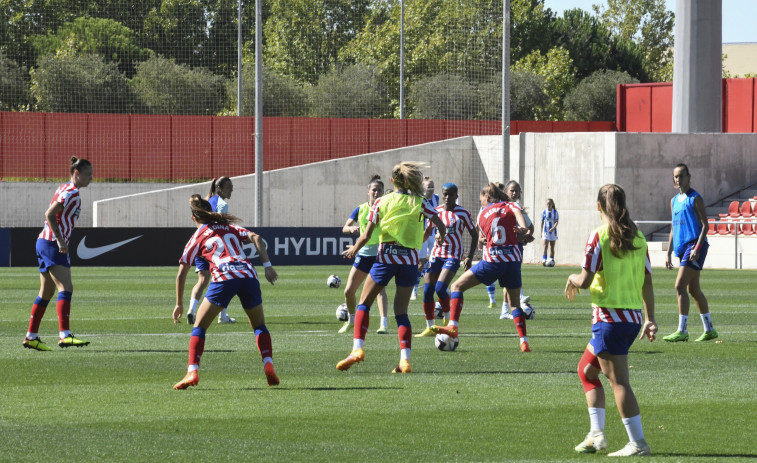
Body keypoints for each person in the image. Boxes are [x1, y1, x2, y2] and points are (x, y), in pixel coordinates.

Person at [565, 183, 657, 457]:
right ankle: (596, 435)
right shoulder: (638, 237)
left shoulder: (599, 236)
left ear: (598, 207)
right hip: (630, 319)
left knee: (619, 382)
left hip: (609, 320)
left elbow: (585, 279)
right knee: (586, 370)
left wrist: (571, 279)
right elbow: (648, 281)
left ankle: (638, 443)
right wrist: (649, 318)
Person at [338, 162, 445, 374]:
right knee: (401, 313)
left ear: (392, 181)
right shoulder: (420, 202)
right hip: (409, 262)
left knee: (363, 304)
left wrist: (354, 250)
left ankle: (357, 349)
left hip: (386, 258)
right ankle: (404, 361)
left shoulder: (381, 201)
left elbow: (367, 235)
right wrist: (441, 234)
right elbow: (439, 222)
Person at [172, 195, 279, 389]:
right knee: (259, 326)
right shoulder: (229, 227)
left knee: (199, 327)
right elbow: (256, 237)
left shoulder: (198, 235)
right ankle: (268, 363)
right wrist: (268, 266)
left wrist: (179, 304)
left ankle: (192, 371)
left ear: (193, 218)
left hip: (224, 276)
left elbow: (181, 274)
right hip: (248, 275)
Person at [431, 183, 531, 352]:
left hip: (493, 261)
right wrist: (524, 232)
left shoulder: (482, 214)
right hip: (513, 261)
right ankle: (524, 341)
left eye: (481, 201)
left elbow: (484, 238)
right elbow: (524, 227)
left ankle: (453, 326)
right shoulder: (512, 205)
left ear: (487, 198)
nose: (481, 204)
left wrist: (484, 240)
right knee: (515, 304)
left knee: (456, 286)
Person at [23, 157, 94, 351]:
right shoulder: (71, 192)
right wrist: (60, 240)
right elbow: (49, 214)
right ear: (77, 174)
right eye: (88, 174)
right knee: (66, 287)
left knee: (47, 292)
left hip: (44, 242)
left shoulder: (65, 187)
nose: (91, 178)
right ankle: (65, 335)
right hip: (52, 243)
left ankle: (31, 336)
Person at [663, 164, 717, 342]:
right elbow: (673, 227)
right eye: (676, 177)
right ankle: (709, 329)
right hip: (681, 248)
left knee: (679, 286)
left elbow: (705, 225)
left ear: (689, 176)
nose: (678, 179)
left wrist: (697, 248)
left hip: (694, 246)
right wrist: (669, 252)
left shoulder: (695, 198)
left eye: (681, 176)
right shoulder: (673, 201)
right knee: (693, 289)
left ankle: (682, 330)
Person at [415, 183, 478, 336]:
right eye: (445, 194)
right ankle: (430, 327)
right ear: (441, 195)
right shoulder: (435, 212)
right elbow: (427, 232)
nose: (447, 197)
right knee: (428, 291)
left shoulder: (463, 213)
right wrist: (416, 251)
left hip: (453, 255)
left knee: (440, 288)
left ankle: (449, 319)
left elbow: (474, 234)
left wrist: (469, 256)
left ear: (456, 196)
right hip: (436, 254)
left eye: (451, 194)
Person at [341, 175, 390, 334]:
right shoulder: (360, 209)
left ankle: (384, 324)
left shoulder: (385, 209)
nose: (376, 193)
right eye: (374, 190)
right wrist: (351, 229)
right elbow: (345, 227)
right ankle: (351, 320)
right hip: (363, 254)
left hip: (379, 255)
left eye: (379, 190)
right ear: (368, 191)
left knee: (379, 290)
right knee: (348, 291)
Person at [185, 177, 237, 325]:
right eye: (229, 187)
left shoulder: (206, 201)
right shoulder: (222, 205)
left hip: (202, 243)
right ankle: (222, 316)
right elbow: (222, 229)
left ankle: (191, 310)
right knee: (224, 279)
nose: (231, 190)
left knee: (202, 281)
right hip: (216, 248)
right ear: (219, 188)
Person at [499, 180, 536, 320]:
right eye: (511, 190)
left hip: (515, 248)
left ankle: (505, 310)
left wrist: (523, 237)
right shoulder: (501, 206)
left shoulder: (518, 208)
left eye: (516, 191)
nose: (514, 193)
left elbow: (530, 228)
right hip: (503, 248)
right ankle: (518, 297)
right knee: (509, 277)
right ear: (506, 192)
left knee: (510, 277)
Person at [411, 177, 440, 300]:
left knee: (437, 260)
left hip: (433, 234)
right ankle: (414, 290)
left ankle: (437, 287)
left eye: (432, 186)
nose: (431, 189)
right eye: (429, 187)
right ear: (423, 188)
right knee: (420, 263)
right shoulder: (418, 200)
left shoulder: (437, 198)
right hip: (422, 235)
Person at [541, 198, 559, 266]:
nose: (548, 205)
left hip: (553, 232)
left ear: (552, 204)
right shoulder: (543, 212)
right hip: (545, 231)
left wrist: (553, 228)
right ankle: (544, 260)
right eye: (547, 204)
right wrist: (541, 231)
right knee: (545, 246)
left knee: (552, 247)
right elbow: (542, 222)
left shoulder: (555, 212)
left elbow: (556, 221)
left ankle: (551, 260)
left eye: (550, 204)